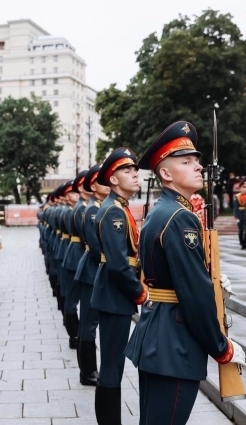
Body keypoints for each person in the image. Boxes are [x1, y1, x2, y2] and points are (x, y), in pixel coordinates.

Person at [125, 121, 246, 425]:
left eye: (197, 161)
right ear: (166, 173)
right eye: (187, 162)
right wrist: (222, 347)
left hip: (158, 334)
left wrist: (212, 279)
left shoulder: (164, 212)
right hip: (174, 344)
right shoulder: (181, 218)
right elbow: (193, 294)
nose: (198, 167)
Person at [91, 148, 148, 424]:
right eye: (127, 170)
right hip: (115, 295)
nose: (135, 174)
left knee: (113, 365)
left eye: (135, 170)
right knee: (112, 366)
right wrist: (139, 292)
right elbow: (117, 263)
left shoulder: (120, 208)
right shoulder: (113, 212)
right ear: (113, 180)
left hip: (114, 295)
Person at [74, 163, 108, 387]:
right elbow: (97, 248)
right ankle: (87, 372)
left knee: (91, 322)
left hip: (95, 270)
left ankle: (89, 370)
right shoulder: (92, 210)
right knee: (88, 323)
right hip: (91, 271)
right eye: (102, 180)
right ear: (93, 185)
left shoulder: (100, 207)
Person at [61, 174, 88, 349]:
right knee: (72, 300)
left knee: (73, 299)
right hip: (76, 255)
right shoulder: (81, 209)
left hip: (75, 253)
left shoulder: (80, 208)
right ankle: (74, 335)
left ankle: (75, 334)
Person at [233, 180, 246, 249]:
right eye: (243, 187)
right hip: (240, 215)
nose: (244, 189)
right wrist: (236, 216)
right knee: (241, 229)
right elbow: (235, 207)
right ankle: (242, 242)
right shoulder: (237, 196)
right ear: (240, 188)